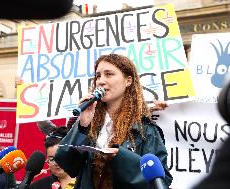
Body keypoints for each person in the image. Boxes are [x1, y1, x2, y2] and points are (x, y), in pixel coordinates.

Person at [54, 54, 173, 189]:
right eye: (98, 76)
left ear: (128, 81)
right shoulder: (90, 123)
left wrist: (121, 157)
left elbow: (162, 181)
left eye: (109, 74)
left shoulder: (145, 129)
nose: (101, 81)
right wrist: (82, 126)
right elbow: (66, 163)